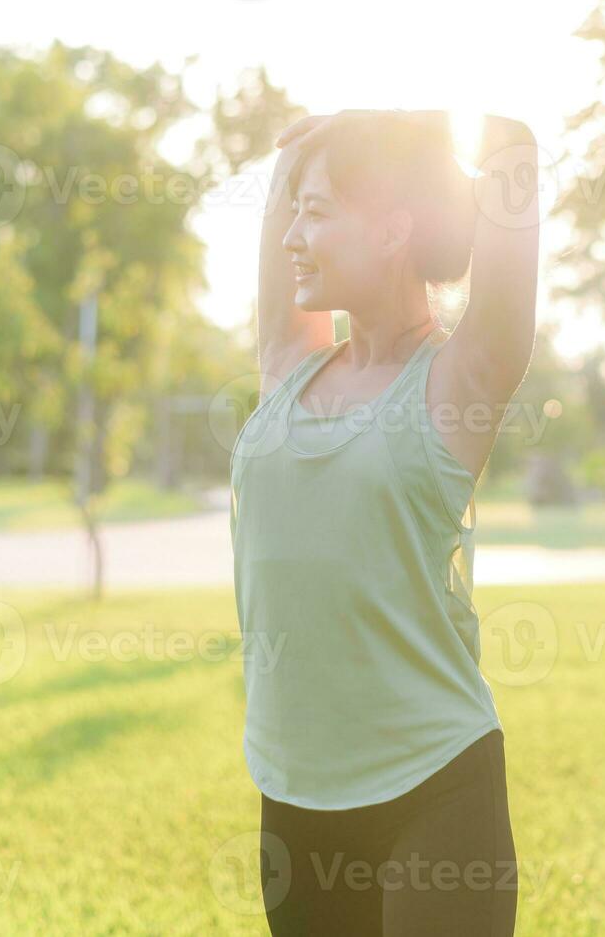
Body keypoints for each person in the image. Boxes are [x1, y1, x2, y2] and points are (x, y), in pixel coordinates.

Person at [229, 107, 539, 936]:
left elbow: (511, 182)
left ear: (395, 228)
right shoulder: (287, 367)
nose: (294, 233)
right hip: (293, 795)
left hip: (433, 787)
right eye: (293, 212)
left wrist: (466, 127)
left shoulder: (456, 382)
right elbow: (285, 189)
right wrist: (301, 154)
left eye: (318, 213)